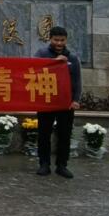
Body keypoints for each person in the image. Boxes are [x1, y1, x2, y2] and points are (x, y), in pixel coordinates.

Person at [35, 26, 82, 179]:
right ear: (50, 39)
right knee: (44, 134)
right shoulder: (41, 54)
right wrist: (53, 63)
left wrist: (75, 100)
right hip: (46, 101)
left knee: (64, 135)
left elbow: (77, 81)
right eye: (56, 40)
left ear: (66, 40)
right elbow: (34, 71)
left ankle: (62, 165)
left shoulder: (72, 58)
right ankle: (44, 164)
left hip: (65, 103)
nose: (59, 43)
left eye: (62, 40)